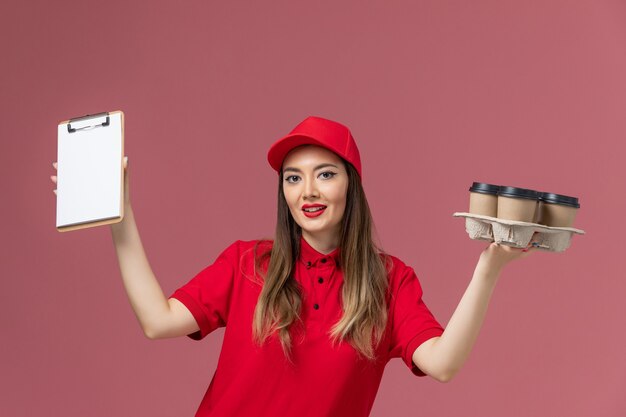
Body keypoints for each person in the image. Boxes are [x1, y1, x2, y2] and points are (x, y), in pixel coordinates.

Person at [50, 116, 538, 417]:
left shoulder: (390, 281)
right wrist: (121, 216)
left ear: (352, 185)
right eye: (293, 178)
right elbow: (157, 322)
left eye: (325, 175)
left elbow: (444, 363)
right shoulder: (247, 263)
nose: (307, 192)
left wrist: (489, 267)